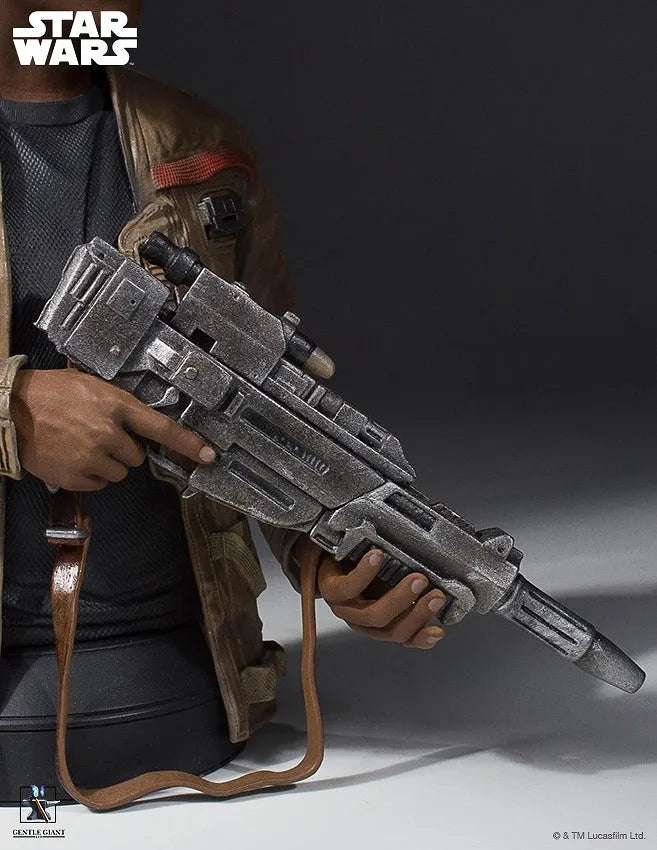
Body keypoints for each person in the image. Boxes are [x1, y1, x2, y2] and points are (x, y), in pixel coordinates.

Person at [0, 0, 448, 800]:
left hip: (186, 663)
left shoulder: (197, 144)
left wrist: (328, 557)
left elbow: (269, 398)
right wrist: (15, 409)